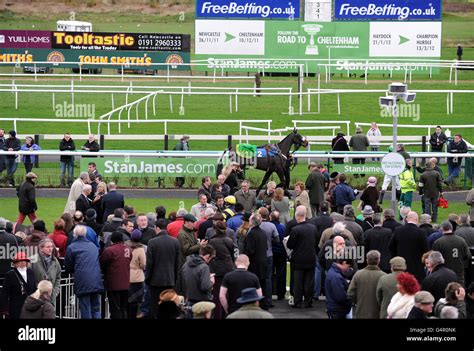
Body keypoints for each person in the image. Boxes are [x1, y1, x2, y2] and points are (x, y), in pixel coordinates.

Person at [64, 225, 104, 319]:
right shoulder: (93, 246)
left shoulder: (72, 247)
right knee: (96, 308)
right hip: (96, 280)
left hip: (82, 281)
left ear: (74, 235)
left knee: (85, 307)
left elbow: (68, 265)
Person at [0, 252, 36, 319]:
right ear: (15, 263)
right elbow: (4, 293)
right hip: (16, 308)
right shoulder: (10, 275)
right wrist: (4, 309)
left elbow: (34, 289)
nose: (23, 263)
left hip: (30, 306)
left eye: (24, 261)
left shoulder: (31, 272)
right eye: (20, 261)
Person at [30, 238, 62, 307]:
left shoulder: (55, 261)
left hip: (50, 297)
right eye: (48, 247)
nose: (51, 249)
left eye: (52, 247)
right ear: (41, 248)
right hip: (36, 297)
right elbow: (28, 278)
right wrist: (37, 291)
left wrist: (54, 292)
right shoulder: (32, 260)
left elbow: (58, 277)